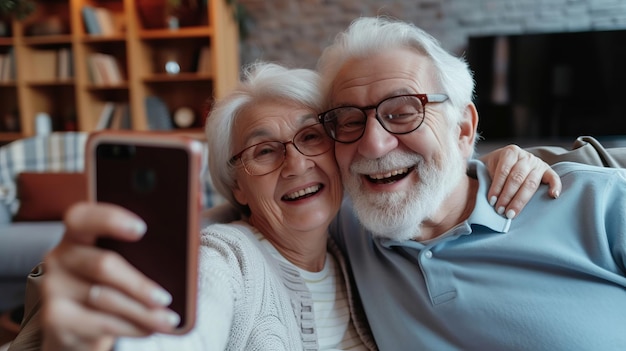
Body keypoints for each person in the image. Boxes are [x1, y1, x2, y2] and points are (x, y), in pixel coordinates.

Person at [26, 60, 560, 351]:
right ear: (237, 186)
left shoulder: (361, 235)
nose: (297, 163)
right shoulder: (226, 257)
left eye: (311, 137)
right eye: (263, 151)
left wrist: (504, 160)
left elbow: (428, 179)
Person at [316, 16, 626, 349]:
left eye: (403, 112)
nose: (373, 145)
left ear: (463, 129)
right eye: (349, 121)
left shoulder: (596, 201)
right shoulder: (338, 224)